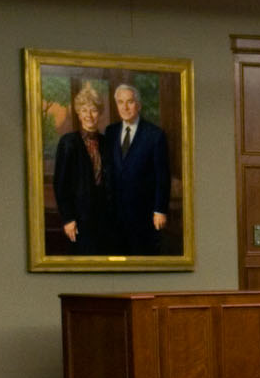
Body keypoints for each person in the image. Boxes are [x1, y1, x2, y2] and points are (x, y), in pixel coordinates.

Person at [105, 82, 173, 256]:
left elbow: (162, 176)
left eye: (130, 102)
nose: (125, 107)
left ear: (139, 105)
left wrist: (160, 210)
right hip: (115, 213)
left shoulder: (154, 134)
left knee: (143, 257)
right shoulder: (110, 132)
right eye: (120, 102)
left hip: (144, 212)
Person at [52, 83, 114, 256]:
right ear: (78, 113)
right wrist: (68, 219)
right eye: (84, 110)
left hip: (104, 216)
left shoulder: (107, 142)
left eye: (93, 110)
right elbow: (60, 184)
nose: (89, 115)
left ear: (100, 113)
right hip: (79, 217)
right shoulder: (68, 142)